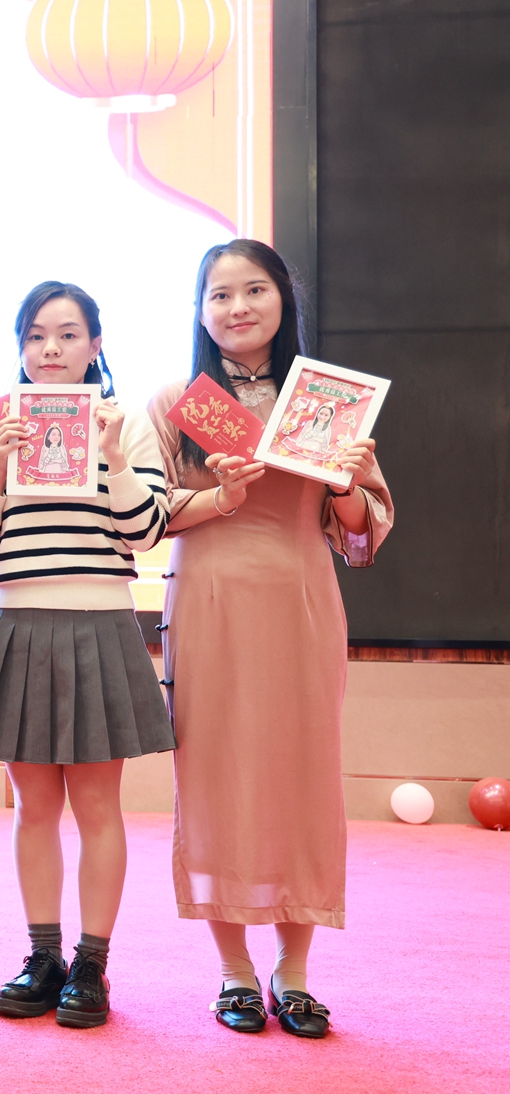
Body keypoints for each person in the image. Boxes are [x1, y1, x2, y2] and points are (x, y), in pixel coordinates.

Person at [146, 239, 392, 1038]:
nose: (238, 307)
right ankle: (234, 972)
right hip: (210, 602)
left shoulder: (324, 402)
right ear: (200, 311)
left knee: (302, 774)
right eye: (219, 294)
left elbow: (361, 532)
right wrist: (218, 496)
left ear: (285, 299)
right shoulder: (177, 400)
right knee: (213, 775)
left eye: (254, 289)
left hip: (300, 600)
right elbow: (145, 518)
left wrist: (345, 482)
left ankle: (294, 972)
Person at [0, 281, 175, 1028]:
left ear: (96, 345)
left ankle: (92, 964)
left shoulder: (128, 423)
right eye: (35, 336)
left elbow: (146, 531)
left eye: (68, 334)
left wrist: (111, 456)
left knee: (98, 806)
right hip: (19, 621)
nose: (50, 349)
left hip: (101, 622)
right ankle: (42, 956)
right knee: (33, 808)